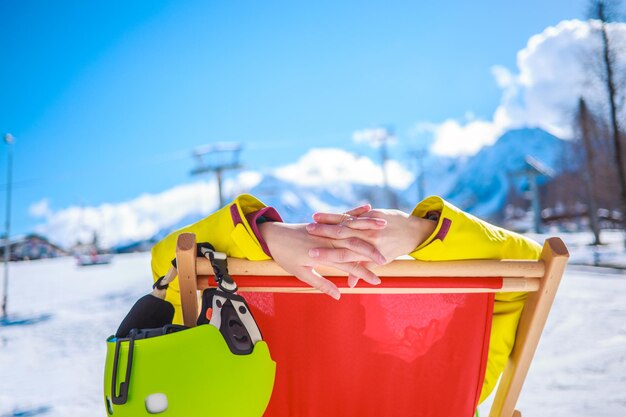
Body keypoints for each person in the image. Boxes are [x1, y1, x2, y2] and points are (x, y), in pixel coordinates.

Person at [151, 193, 541, 405]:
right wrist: (423, 232)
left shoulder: (246, 386)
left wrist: (262, 235)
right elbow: (528, 269)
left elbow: (169, 265)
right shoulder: (435, 381)